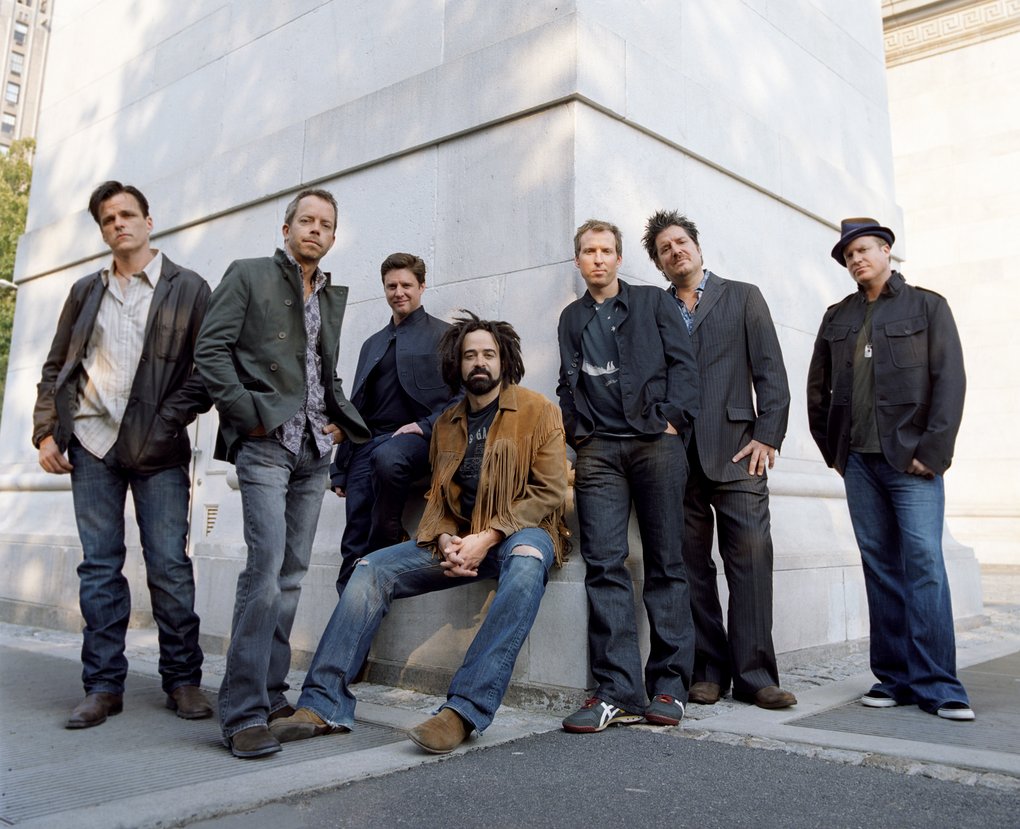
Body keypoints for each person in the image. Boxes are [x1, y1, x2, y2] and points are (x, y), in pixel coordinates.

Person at [270, 312, 568, 754]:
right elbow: (441, 496)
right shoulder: (447, 422)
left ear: (504, 360)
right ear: (456, 364)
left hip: (524, 532)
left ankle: (463, 711)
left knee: (526, 562)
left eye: (488, 354)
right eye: (470, 356)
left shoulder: (538, 410)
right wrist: (446, 537)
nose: (479, 363)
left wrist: (488, 536)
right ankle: (323, 704)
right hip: (461, 541)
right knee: (370, 567)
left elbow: (549, 491)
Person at [194, 188, 370, 758]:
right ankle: (241, 711)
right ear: (287, 226)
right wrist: (249, 417)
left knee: (293, 575)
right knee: (264, 572)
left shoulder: (328, 293)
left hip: (316, 449)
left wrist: (342, 423)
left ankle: (271, 695)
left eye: (326, 224)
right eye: (306, 221)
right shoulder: (248, 275)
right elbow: (210, 351)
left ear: (334, 236)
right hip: (267, 443)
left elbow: (323, 370)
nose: (315, 230)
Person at [32, 180, 213, 728]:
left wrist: (164, 422)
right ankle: (103, 686)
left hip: (158, 449)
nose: (119, 225)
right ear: (103, 230)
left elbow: (206, 371)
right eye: (109, 219)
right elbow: (55, 367)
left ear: (149, 221)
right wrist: (46, 432)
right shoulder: (87, 290)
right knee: (99, 570)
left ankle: (183, 680)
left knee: (169, 566)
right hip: (91, 445)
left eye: (128, 215)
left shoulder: (189, 287)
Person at [807, 217, 974, 721]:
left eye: (864, 250)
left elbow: (950, 381)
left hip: (913, 462)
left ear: (886, 251)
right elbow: (819, 390)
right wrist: (836, 453)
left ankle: (940, 684)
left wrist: (935, 450)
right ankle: (895, 678)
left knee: (924, 566)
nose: (856, 259)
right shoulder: (838, 316)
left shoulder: (927, 306)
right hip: (859, 462)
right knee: (880, 568)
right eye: (848, 255)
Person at [641, 210, 796, 710]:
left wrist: (768, 435)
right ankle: (707, 670)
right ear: (660, 264)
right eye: (665, 249)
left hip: (737, 452)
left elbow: (770, 370)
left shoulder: (743, 296)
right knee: (690, 568)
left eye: (681, 242)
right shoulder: (652, 310)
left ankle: (755, 675)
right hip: (675, 459)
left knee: (750, 561)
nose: (675, 252)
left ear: (698, 247)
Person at [557, 218, 700, 733]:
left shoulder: (653, 303)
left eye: (606, 251)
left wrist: (671, 420)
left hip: (654, 444)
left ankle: (669, 684)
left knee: (665, 563)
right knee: (604, 566)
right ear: (578, 261)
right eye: (588, 251)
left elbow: (685, 366)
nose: (597, 258)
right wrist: (578, 432)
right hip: (598, 452)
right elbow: (565, 381)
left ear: (619, 259)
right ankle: (617, 689)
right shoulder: (571, 318)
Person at [330, 252, 451, 590]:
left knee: (389, 456)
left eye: (407, 285)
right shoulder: (372, 344)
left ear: (422, 286)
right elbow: (356, 408)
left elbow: (462, 399)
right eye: (391, 286)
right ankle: (350, 614)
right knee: (354, 532)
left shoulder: (445, 336)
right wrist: (340, 467)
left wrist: (425, 426)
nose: (399, 292)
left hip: (418, 438)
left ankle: (389, 537)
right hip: (368, 443)